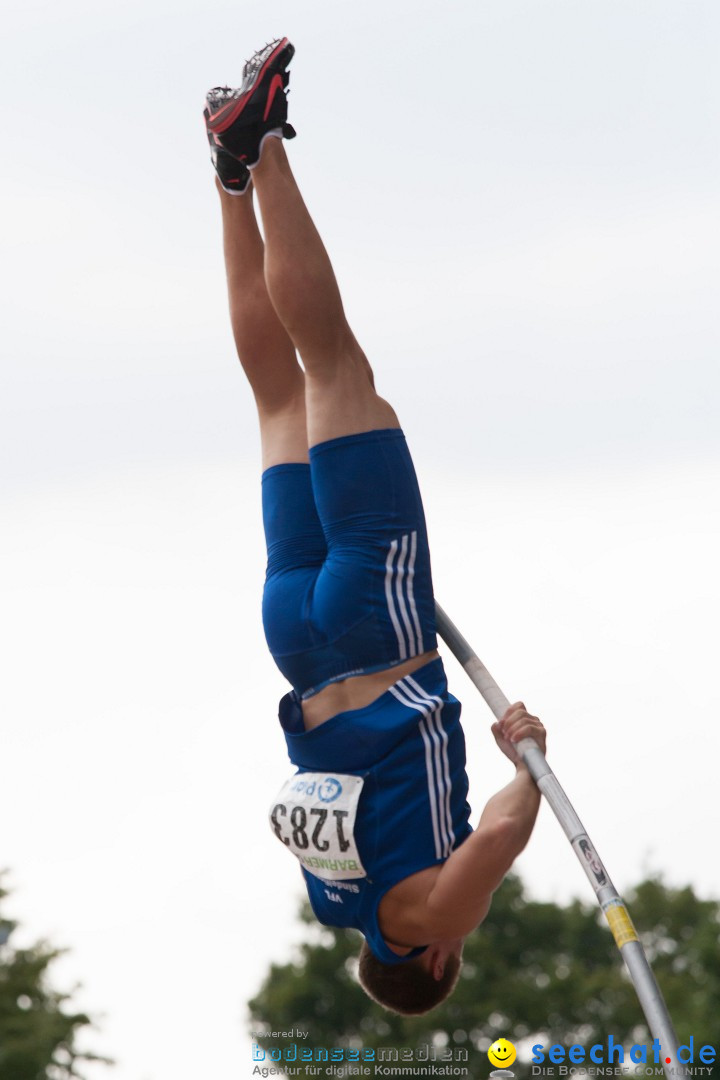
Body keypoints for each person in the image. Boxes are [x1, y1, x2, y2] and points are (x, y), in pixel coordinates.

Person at [204, 38, 547, 1015]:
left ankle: (261, 146)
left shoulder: (429, 914)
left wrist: (529, 759)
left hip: (378, 626)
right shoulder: (332, 896)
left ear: (434, 962)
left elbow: (497, 843)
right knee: (277, 404)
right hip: (298, 643)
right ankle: (230, 180)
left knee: (334, 369)